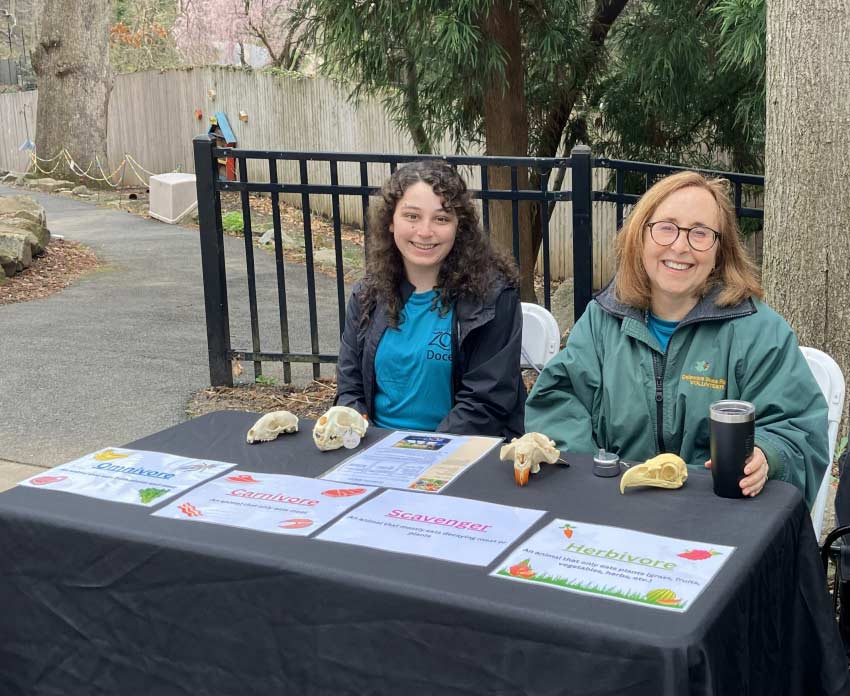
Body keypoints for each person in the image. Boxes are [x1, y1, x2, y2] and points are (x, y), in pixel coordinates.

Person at [525, 171, 828, 508]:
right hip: (615, 507)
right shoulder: (601, 321)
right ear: (640, 237)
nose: (680, 246)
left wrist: (768, 454)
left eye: (700, 233)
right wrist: (591, 478)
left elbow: (801, 432)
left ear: (719, 250)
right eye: (666, 227)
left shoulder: (759, 332)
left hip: (718, 515)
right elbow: (557, 401)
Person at [335, 160, 525, 438]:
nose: (425, 232)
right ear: (391, 222)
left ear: (459, 227)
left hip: (460, 453)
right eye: (412, 216)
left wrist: (422, 454)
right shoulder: (367, 295)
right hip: (374, 449)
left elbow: (486, 403)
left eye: (441, 218)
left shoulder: (494, 298)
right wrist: (361, 437)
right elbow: (349, 390)